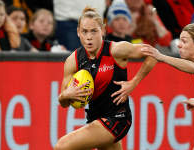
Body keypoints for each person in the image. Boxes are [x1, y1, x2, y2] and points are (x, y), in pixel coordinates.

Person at [54, 6, 157, 150]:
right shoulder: (73, 60)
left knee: (62, 146)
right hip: (96, 119)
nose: (89, 37)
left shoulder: (116, 49)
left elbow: (152, 54)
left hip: (118, 118)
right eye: (84, 31)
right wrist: (66, 95)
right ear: (78, 32)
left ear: (103, 30)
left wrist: (134, 83)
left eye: (94, 31)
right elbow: (63, 102)